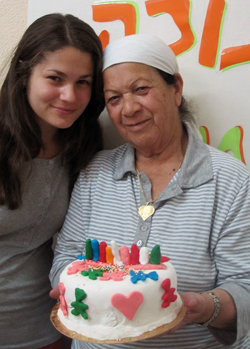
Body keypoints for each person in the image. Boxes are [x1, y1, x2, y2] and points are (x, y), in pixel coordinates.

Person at [50, 34, 250, 348]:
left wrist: (202, 307)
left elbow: (246, 287)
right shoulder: (94, 172)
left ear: (176, 89)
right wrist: (75, 287)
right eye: (114, 98)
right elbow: (66, 254)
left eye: (141, 89)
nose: (128, 109)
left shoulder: (232, 182)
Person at [0, 13, 104, 349]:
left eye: (83, 82)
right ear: (24, 73)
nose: (69, 96)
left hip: (49, 330)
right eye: (55, 78)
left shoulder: (83, 145)